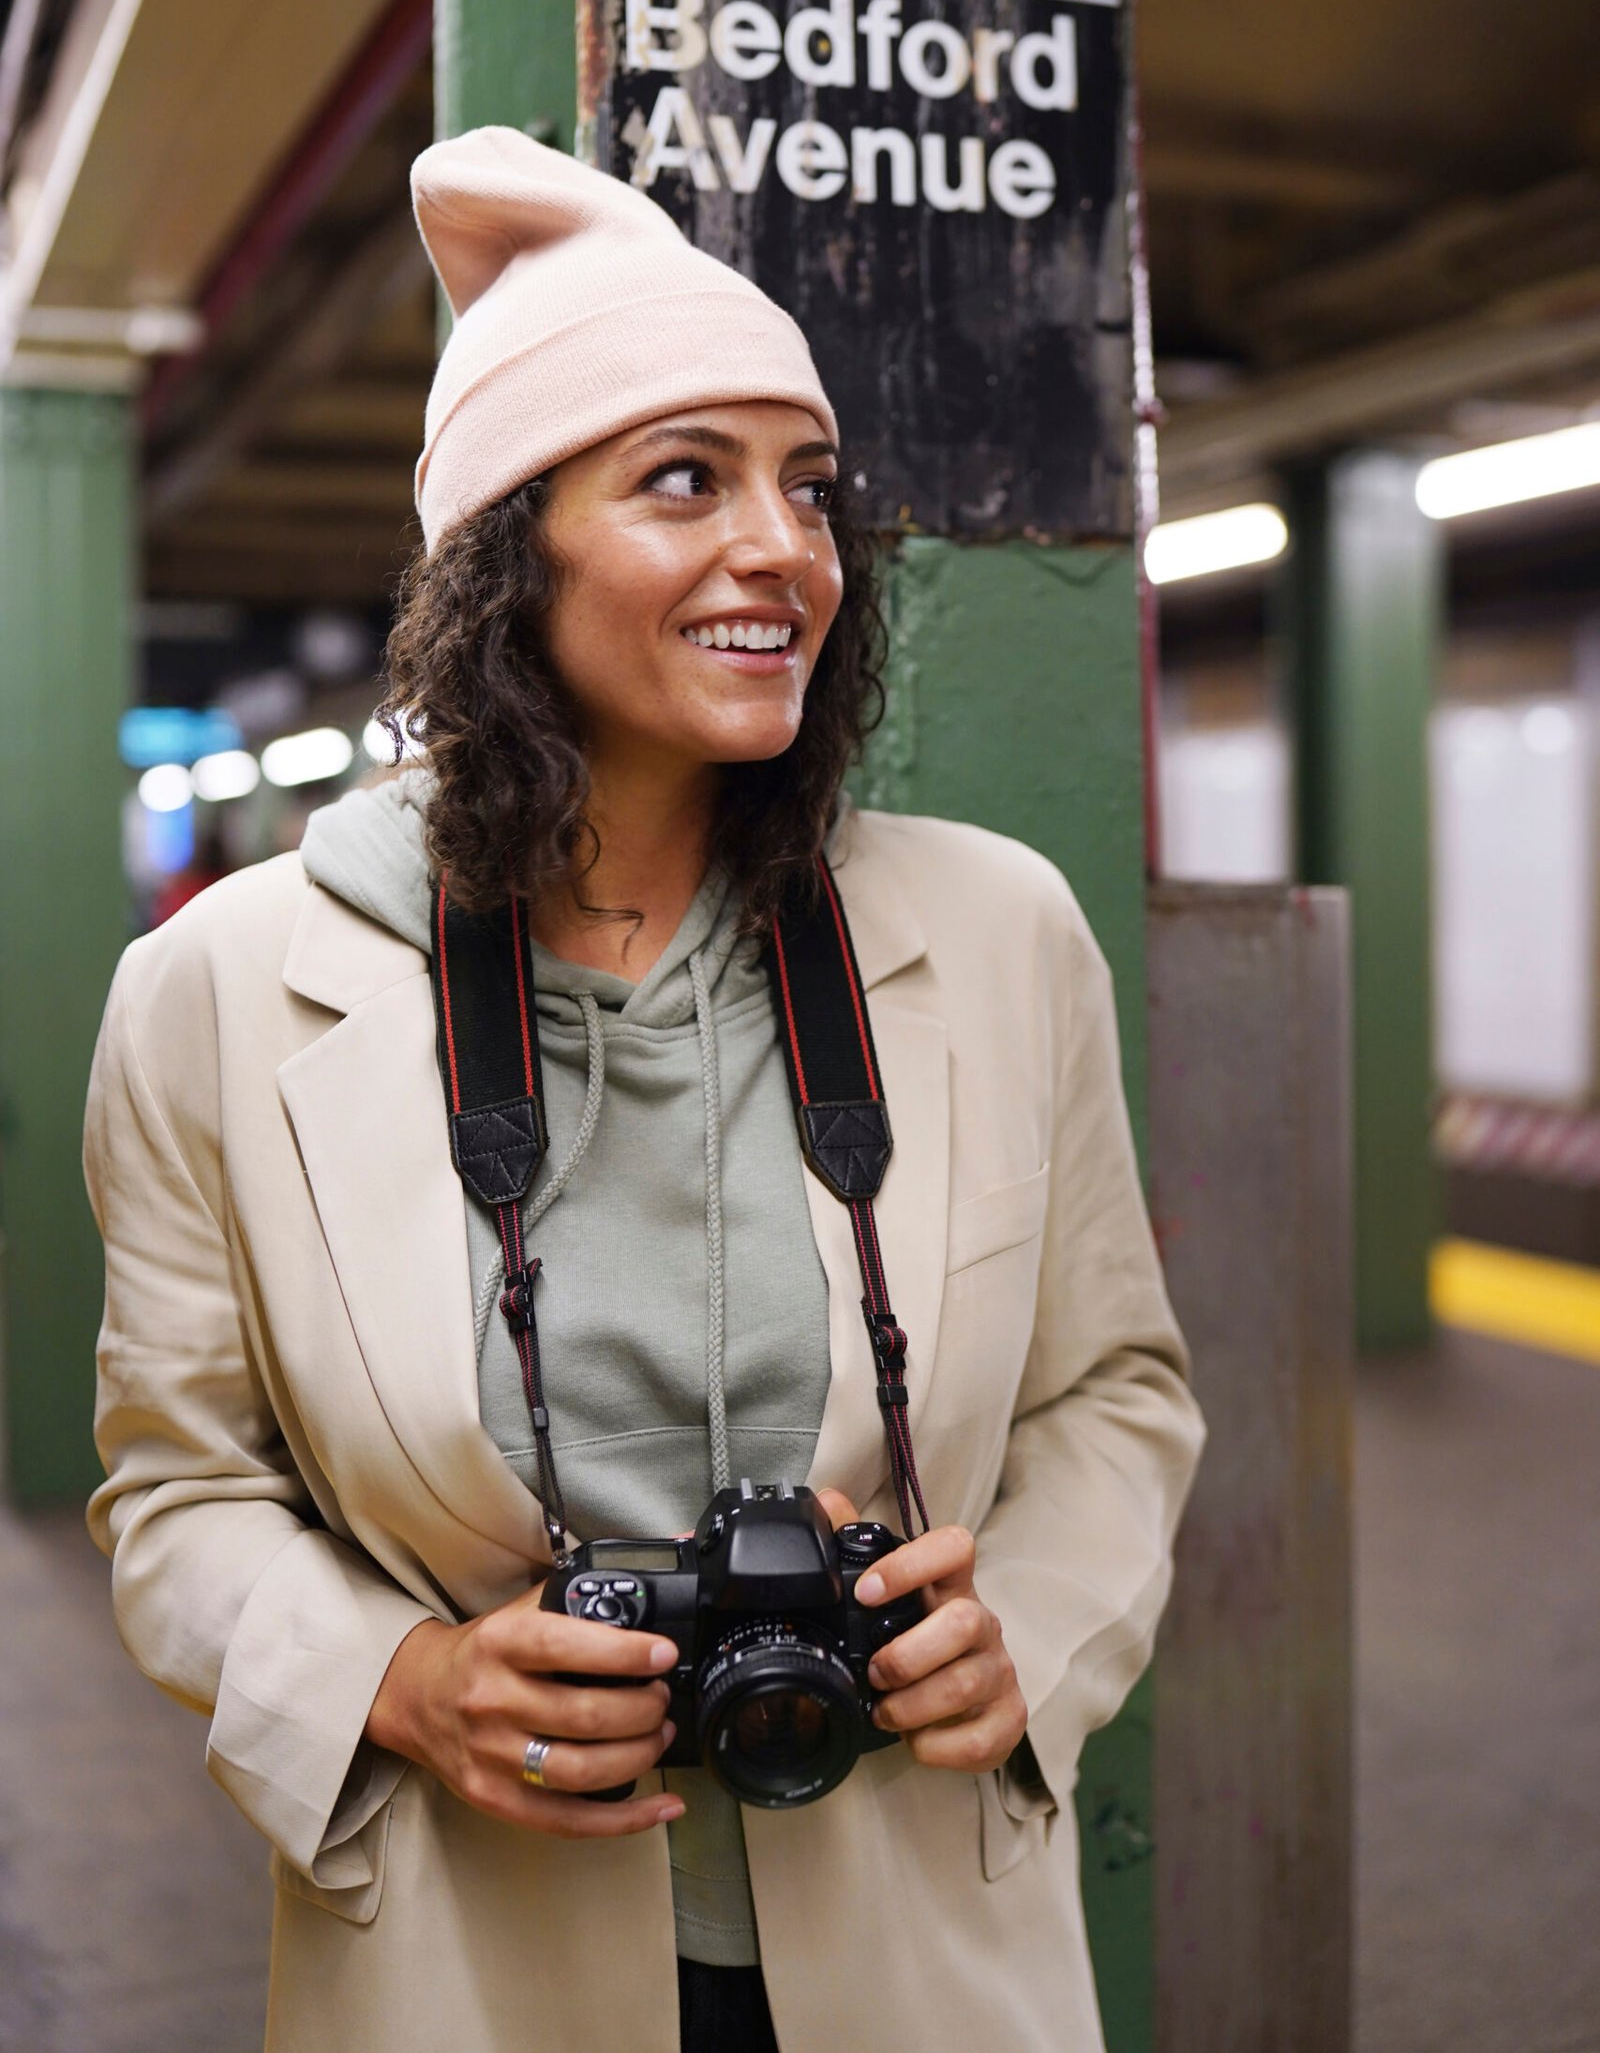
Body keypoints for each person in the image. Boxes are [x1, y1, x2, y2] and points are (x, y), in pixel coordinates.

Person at [85, 128, 1204, 2053]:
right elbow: (180, 1496)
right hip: (467, 1955)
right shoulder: (219, 996)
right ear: (505, 557)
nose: (782, 548)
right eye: (683, 481)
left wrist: (1034, 1619)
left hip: (922, 1941)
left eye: (810, 490)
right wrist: (398, 1685)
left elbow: (1118, 1393)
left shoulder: (999, 936)